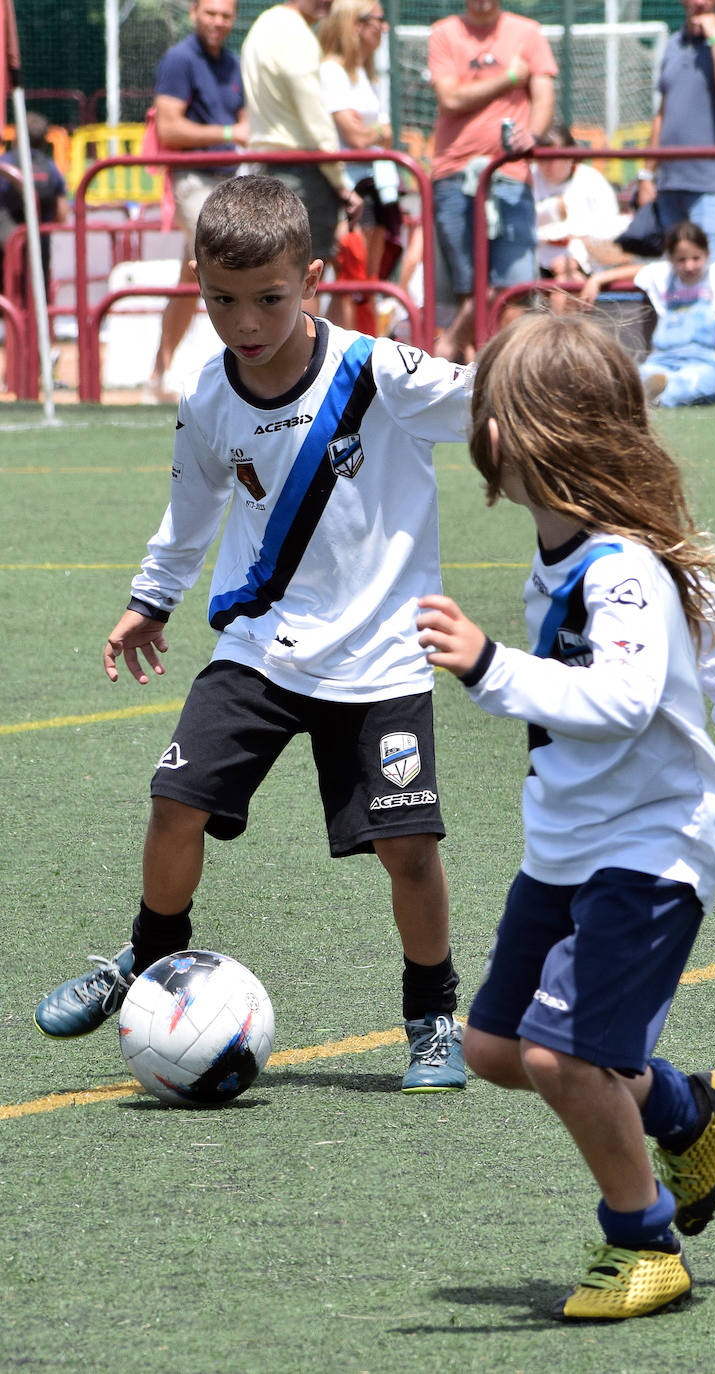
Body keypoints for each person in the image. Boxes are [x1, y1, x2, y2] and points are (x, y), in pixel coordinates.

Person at [34, 176, 473, 1095]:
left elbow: (485, 402)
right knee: (173, 802)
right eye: (222, 301)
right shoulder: (208, 398)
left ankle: (433, 1019)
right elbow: (190, 509)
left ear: (311, 277)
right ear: (197, 283)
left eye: (269, 298)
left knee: (409, 850)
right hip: (259, 648)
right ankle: (146, 963)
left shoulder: (378, 373)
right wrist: (150, 599)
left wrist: (576, 386)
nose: (246, 321)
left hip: (381, 657)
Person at [414, 310, 715, 1319]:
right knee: (498, 1051)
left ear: (516, 437)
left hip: (647, 847)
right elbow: (711, 613)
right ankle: (685, 1107)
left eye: (483, 408)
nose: (475, 426)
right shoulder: (588, 547)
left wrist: (490, 668)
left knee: (562, 1056)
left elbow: (626, 701)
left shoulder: (617, 568)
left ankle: (644, 1241)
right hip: (569, 845)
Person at [427, 0, 557, 362]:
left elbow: (544, 96)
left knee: (513, 288)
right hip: (454, 176)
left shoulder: (528, 32)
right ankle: (456, 369)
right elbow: (450, 97)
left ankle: (504, 374)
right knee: (470, 291)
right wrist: (512, 77)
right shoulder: (444, 33)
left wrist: (533, 134)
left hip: (511, 177)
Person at [145, 0, 248, 402]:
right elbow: (169, 128)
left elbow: (245, 125)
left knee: (197, 273)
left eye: (225, 15)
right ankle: (167, 370)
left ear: (234, 19)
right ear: (193, 14)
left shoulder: (233, 62)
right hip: (194, 178)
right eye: (210, 13)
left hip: (230, 177)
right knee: (209, 264)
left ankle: (163, 371)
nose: (217, 22)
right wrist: (229, 131)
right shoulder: (179, 58)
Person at [579, 220, 715, 407]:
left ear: (707, 254)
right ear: (671, 259)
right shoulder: (663, 275)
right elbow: (634, 271)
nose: (689, 265)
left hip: (710, 364)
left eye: (696, 258)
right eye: (681, 260)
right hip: (663, 362)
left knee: (692, 383)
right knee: (630, 377)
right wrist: (596, 280)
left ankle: (645, 399)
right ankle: (640, 395)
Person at [240, 0, 364, 265]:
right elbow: (315, 119)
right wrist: (341, 184)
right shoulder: (297, 34)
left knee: (282, 275)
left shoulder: (263, 26)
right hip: (304, 174)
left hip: (267, 170)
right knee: (307, 276)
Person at [636, 0, 715, 263]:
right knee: (671, 284)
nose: (700, 2)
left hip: (714, 188)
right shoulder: (673, 43)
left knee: (708, 278)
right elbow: (663, 113)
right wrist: (646, 174)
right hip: (669, 188)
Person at [318, 0, 402, 331]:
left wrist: (373, 133)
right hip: (347, 189)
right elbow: (355, 136)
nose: (384, 27)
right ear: (355, 24)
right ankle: (338, 361)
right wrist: (375, 132)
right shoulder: (332, 71)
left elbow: (380, 134)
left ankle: (357, 360)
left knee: (363, 282)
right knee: (349, 281)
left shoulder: (365, 74)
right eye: (379, 20)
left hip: (372, 186)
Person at [532, 122, 632, 312]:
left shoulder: (591, 181)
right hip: (537, 263)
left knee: (567, 289)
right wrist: (552, 211)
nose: (546, 166)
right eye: (541, 159)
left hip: (584, 266)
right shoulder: (530, 177)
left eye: (552, 158)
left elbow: (609, 232)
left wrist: (576, 245)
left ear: (569, 155)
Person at [0, 110, 68, 315]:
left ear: (18, 137)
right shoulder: (51, 167)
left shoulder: (5, 163)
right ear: (45, 141)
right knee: (36, 296)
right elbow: (62, 213)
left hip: (5, 245)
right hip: (39, 245)